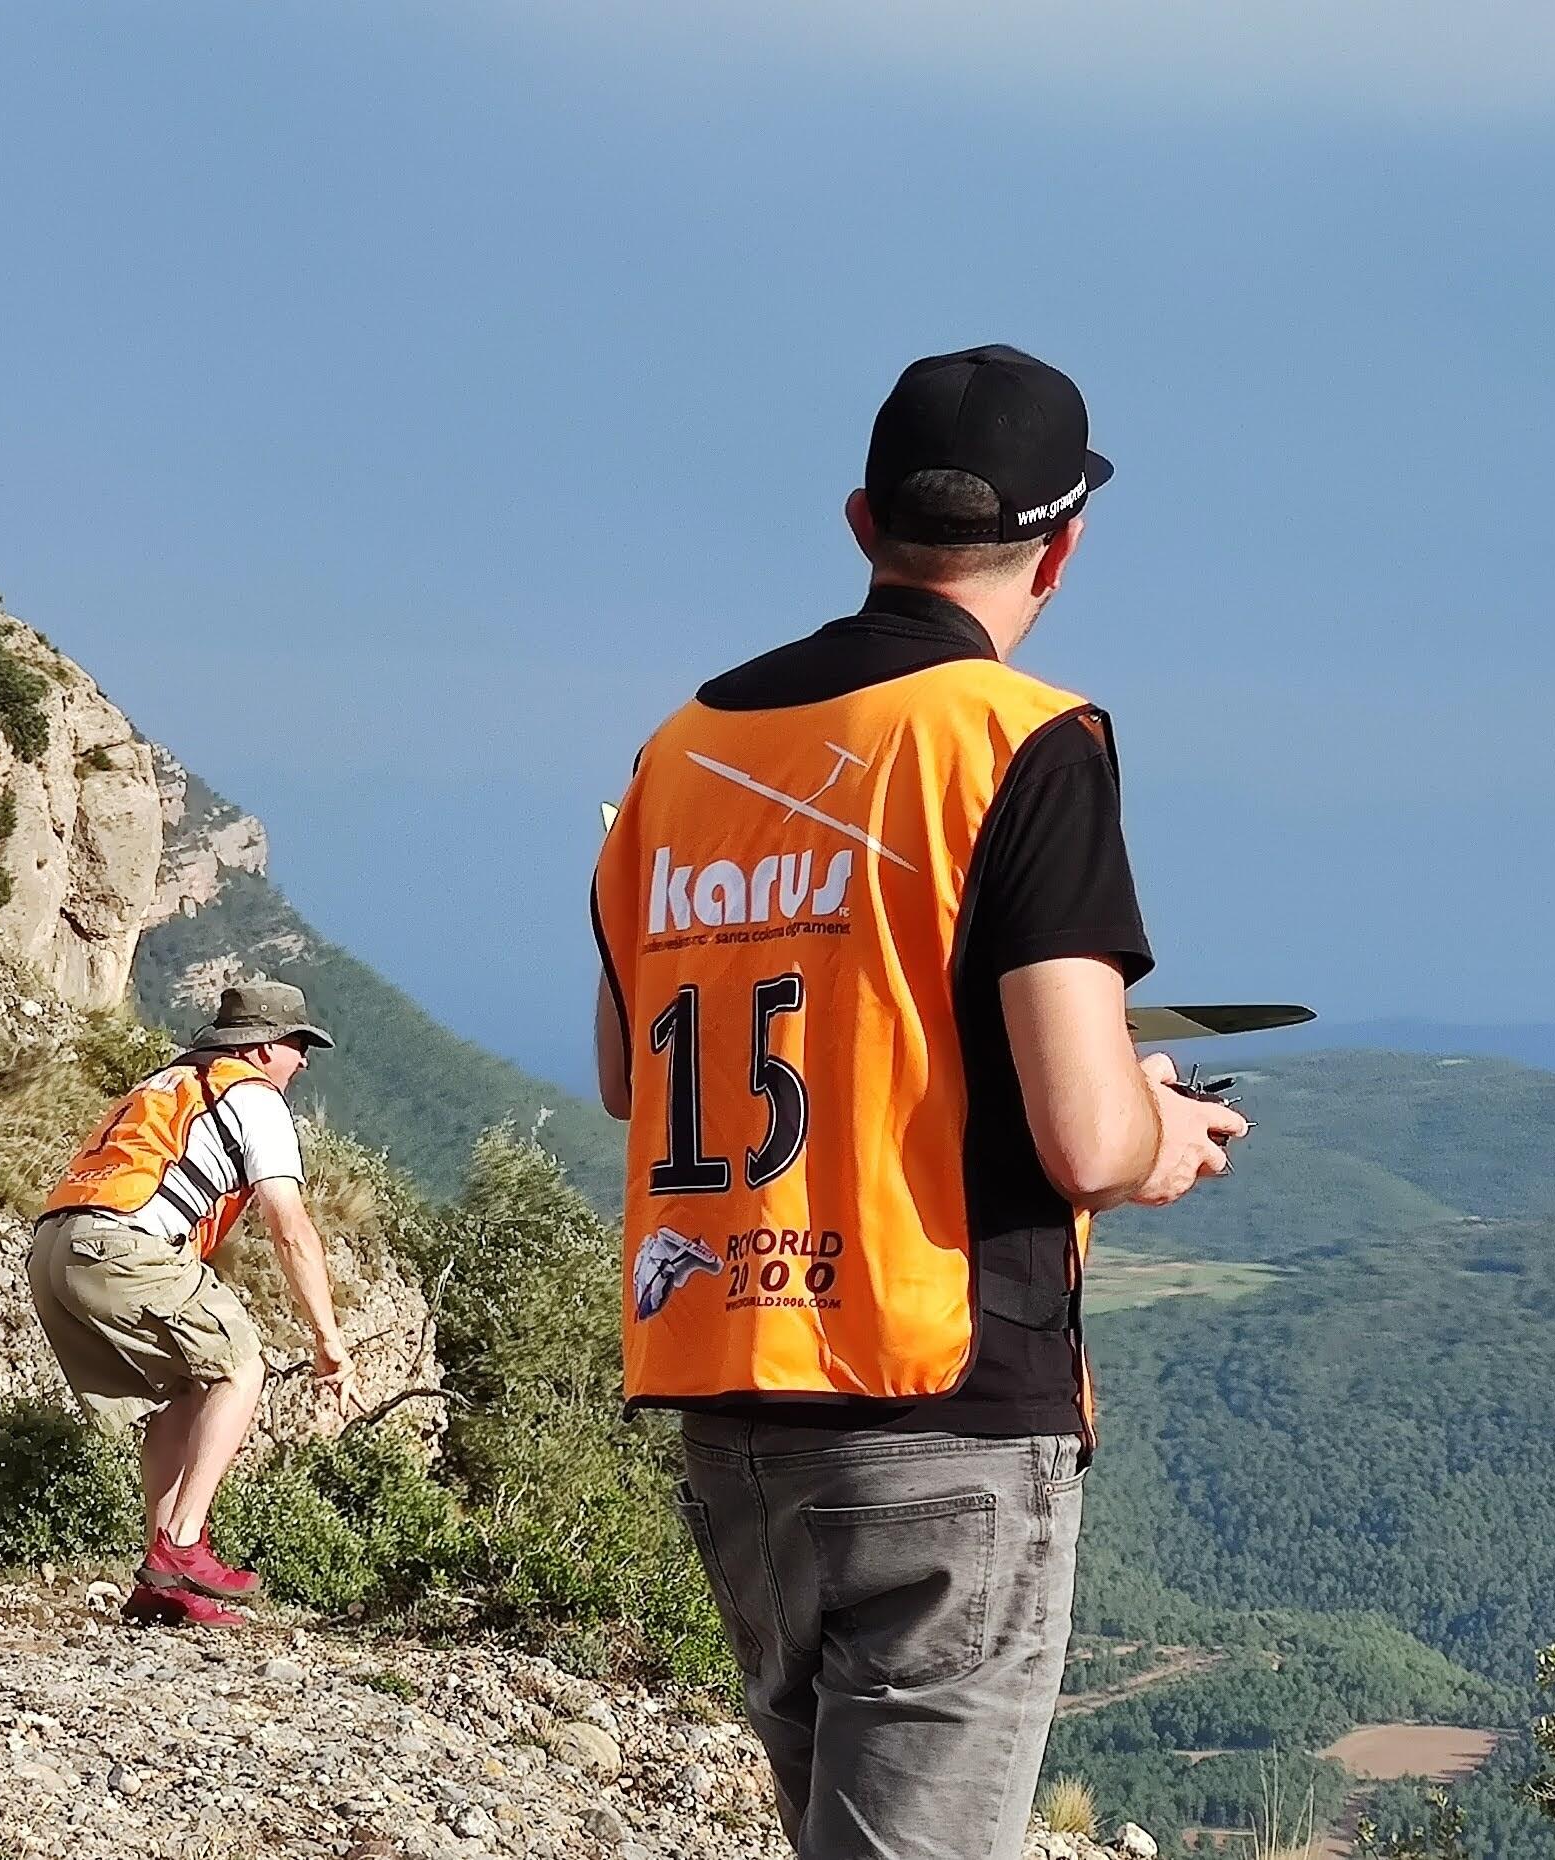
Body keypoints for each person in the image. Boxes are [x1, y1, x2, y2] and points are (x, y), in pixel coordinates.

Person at [589, 344, 1249, 1858]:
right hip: (938, 1396)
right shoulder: (1023, 740)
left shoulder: (678, 751)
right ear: (1062, 551)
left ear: (861, 522)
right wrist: (1157, 1129)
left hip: (731, 1394)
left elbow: (634, 1076)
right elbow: (1086, 1138)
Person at [26, 980, 356, 1625]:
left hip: (55, 1247)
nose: (304, 1061)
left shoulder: (167, 1083)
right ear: (264, 1047)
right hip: (124, 1243)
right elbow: (289, 1225)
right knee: (241, 1368)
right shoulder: (255, 1097)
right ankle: (181, 1546)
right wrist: (328, 1340)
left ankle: (163, 1584)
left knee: (184, 1390)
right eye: (298, 1044)